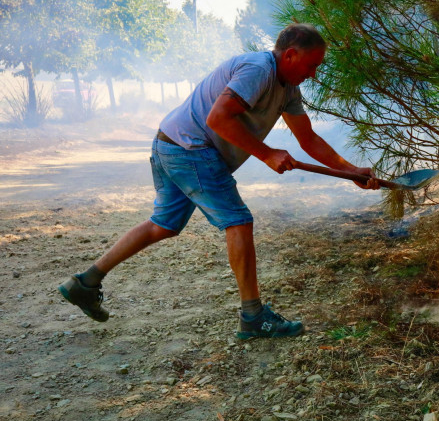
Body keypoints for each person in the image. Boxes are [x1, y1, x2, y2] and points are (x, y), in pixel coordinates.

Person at [58, 23, 378, 339]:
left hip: (170, 142)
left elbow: (308, 139)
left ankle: (85, 283)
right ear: (291, 55)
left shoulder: (288, 89)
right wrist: (266, 153)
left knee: (163, 225)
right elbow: (217, 118)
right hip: (191, 147)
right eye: (311, 65)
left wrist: (351, 171)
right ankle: (253, 317)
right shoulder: (258, 70)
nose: (314, 74)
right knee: (238, 221)